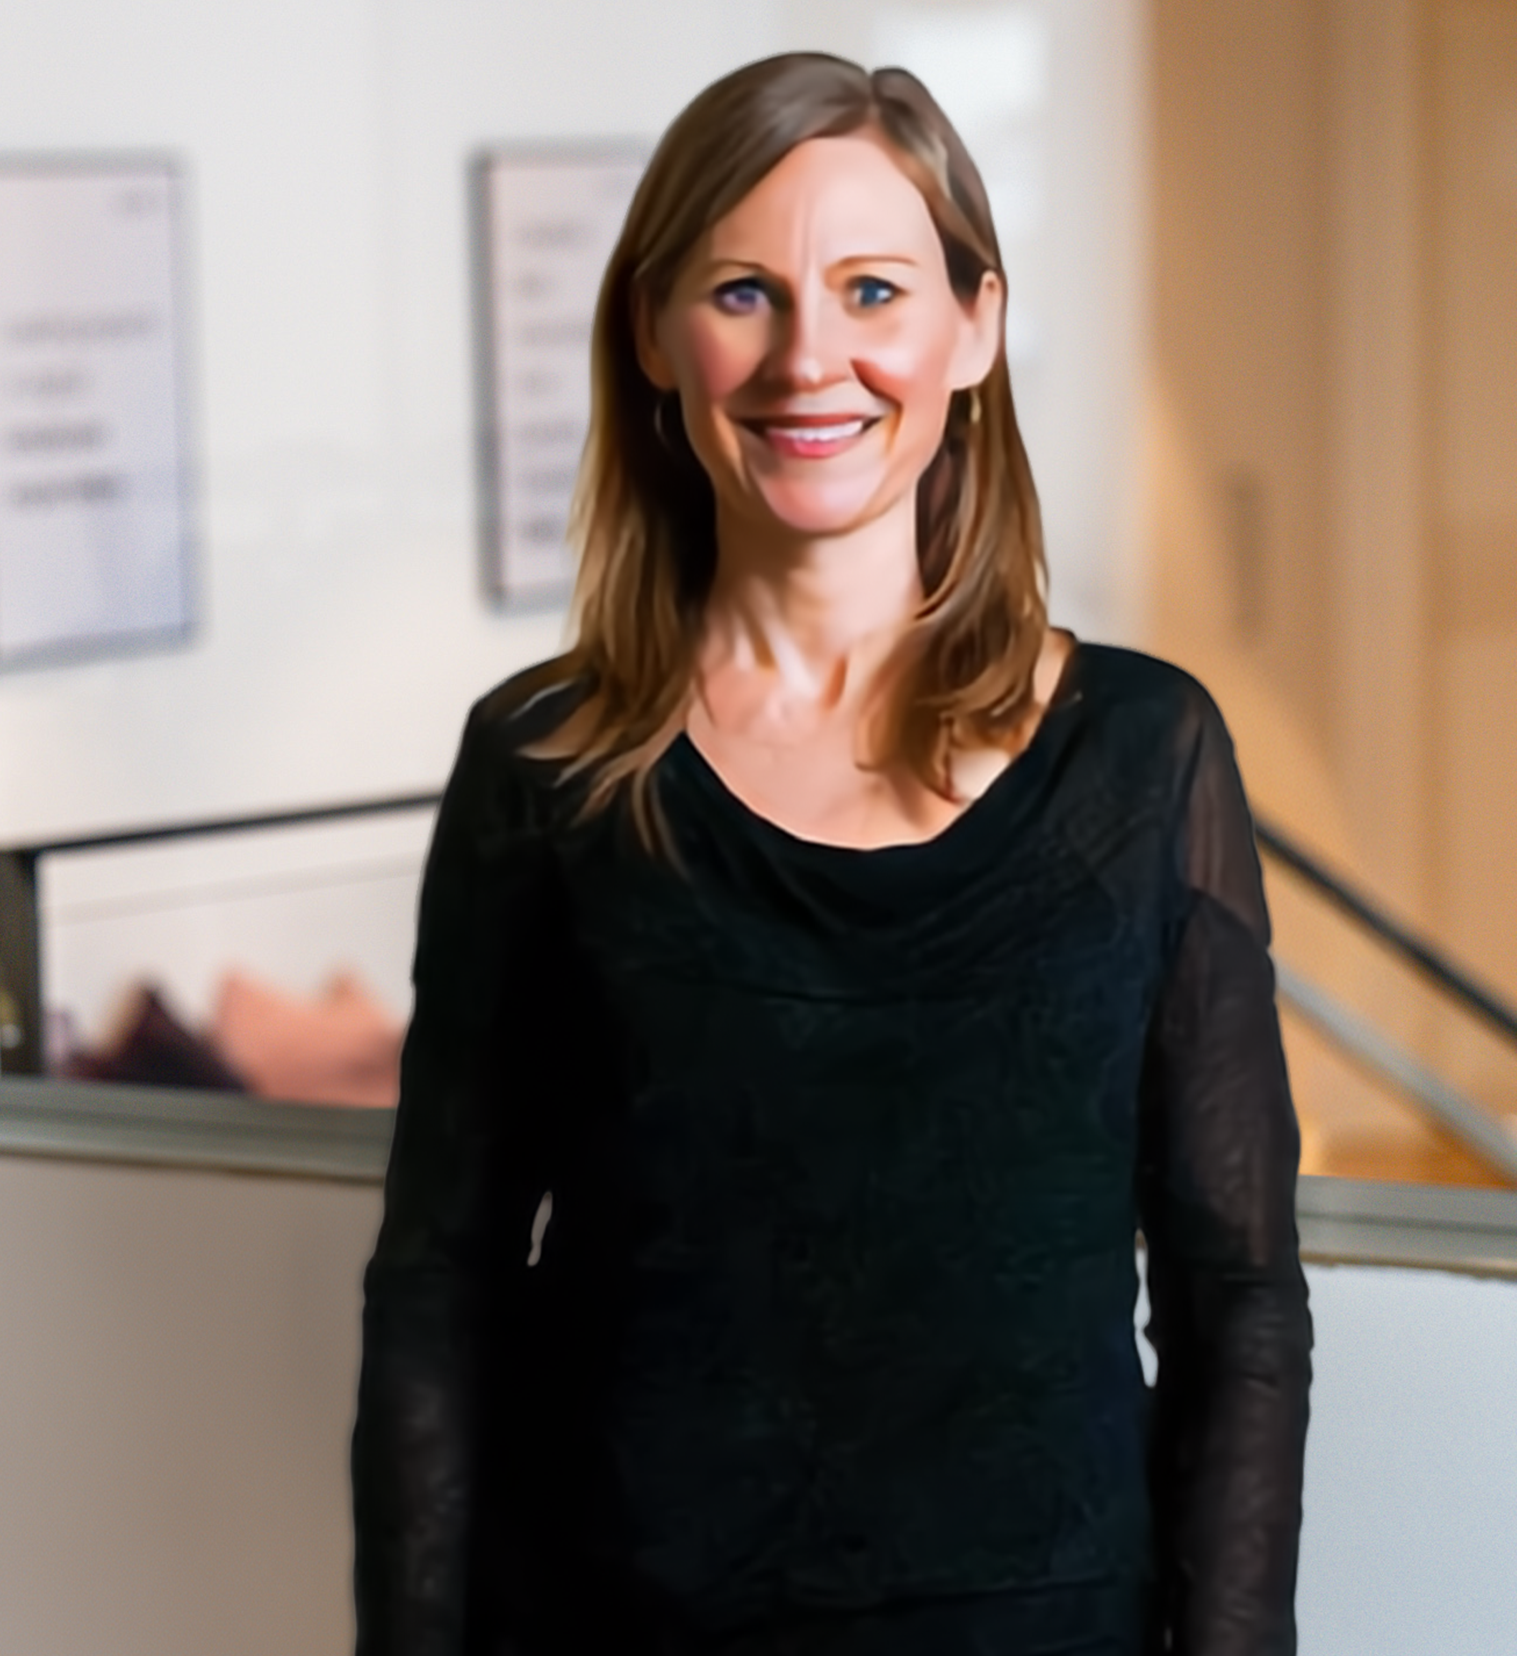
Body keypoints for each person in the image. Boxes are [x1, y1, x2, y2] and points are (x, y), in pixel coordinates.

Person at [352, 50, 1312, 1656]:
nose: (813, 361)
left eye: (874, 290)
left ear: (975, 327)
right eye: (745, 292)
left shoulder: (1147, 756)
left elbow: (1241, 1306)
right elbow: (438, 1283)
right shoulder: (543, 764)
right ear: (656, 335)